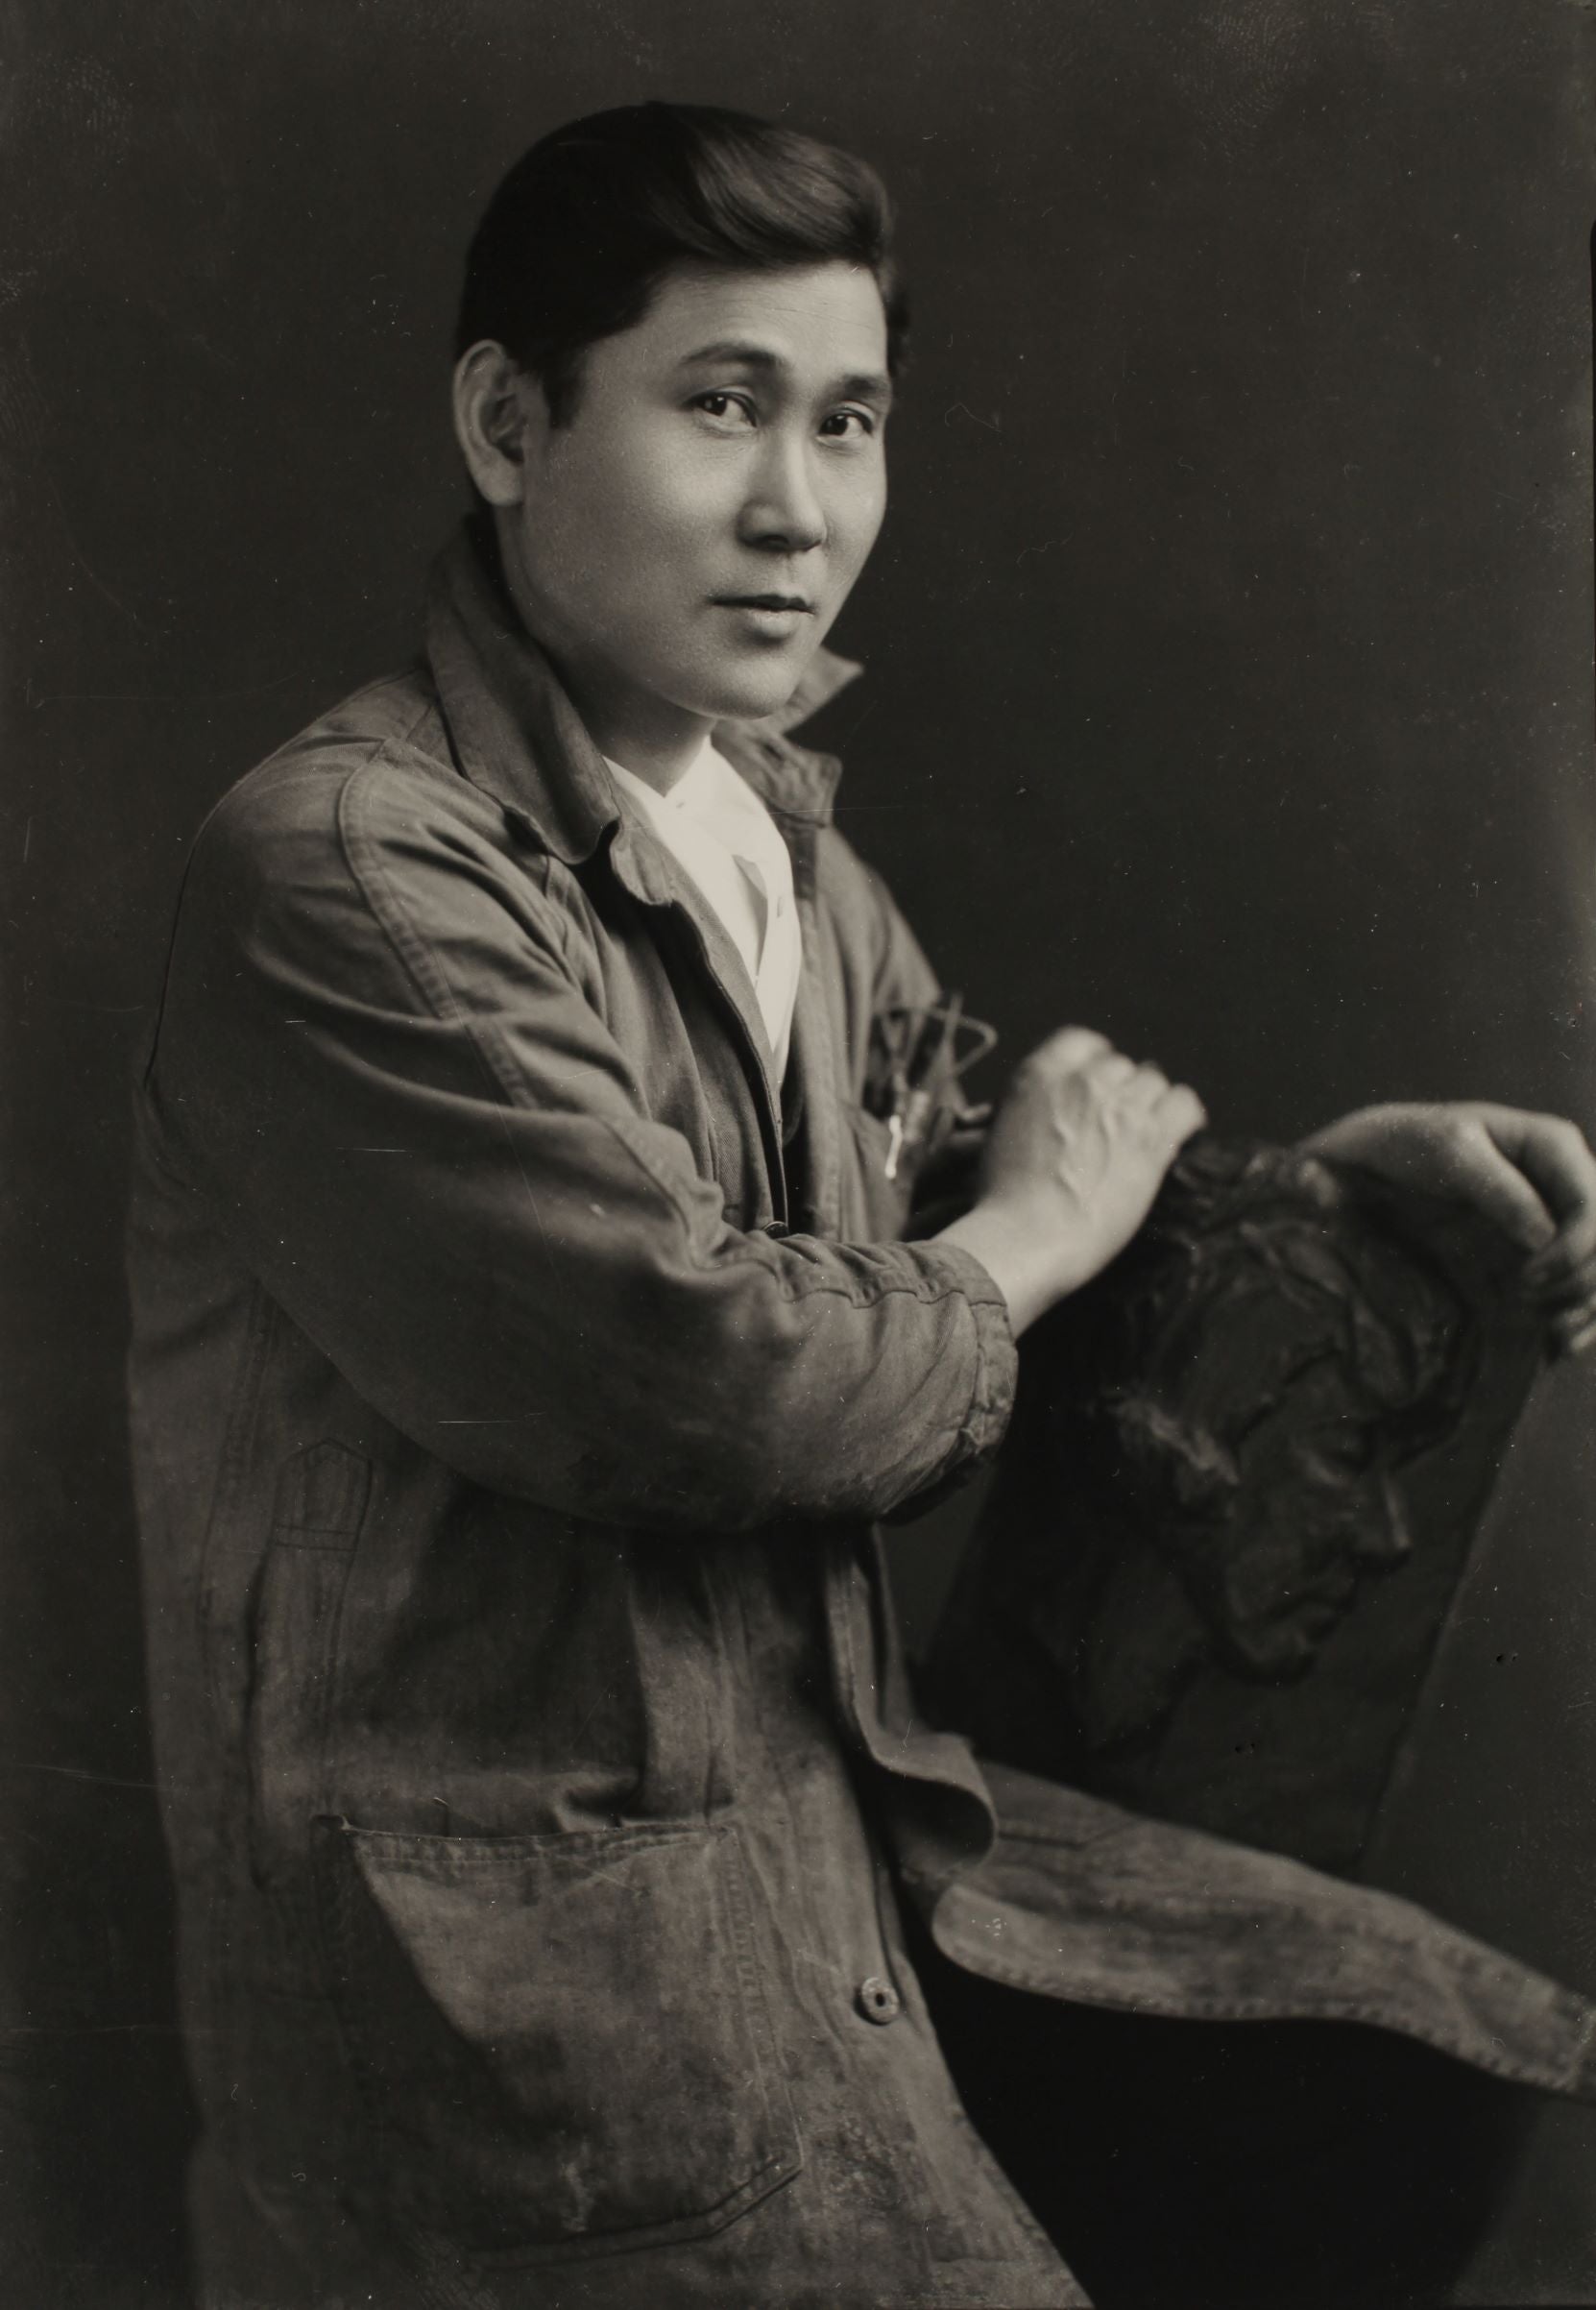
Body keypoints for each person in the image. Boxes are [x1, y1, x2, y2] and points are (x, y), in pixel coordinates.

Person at [126, 102, 1596, 2310]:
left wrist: (1322, 1191)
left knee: (1424, 2077)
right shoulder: (350, 874)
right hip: (529, 2005)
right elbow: (730, 1381)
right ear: (506, 423)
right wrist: (1039, 1227)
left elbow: (941, 1216)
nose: (799, 509)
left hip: (833, 1840)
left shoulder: (776, 844)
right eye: (722, 406)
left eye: (849, 421)